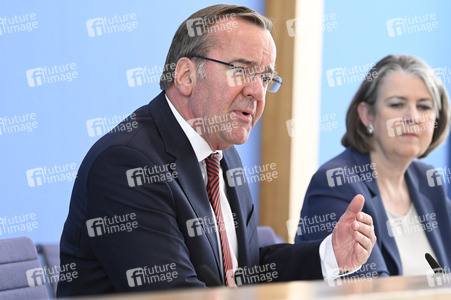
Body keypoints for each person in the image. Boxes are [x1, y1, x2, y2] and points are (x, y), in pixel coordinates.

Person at [58, 5, 376, 296]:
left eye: (266, 78)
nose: (256, 91)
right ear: (186, 76)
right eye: (241, 69)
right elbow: (179, 293)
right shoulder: (127, 164)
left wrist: (328, 255)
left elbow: (243, 271)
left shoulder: (222, 154)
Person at [296, 55, 451, 278]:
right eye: (397, 104)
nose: (413, 117)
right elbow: (367, 289)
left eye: (424, 106)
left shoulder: (428, 180)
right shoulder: (336, 182)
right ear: (367, 115)